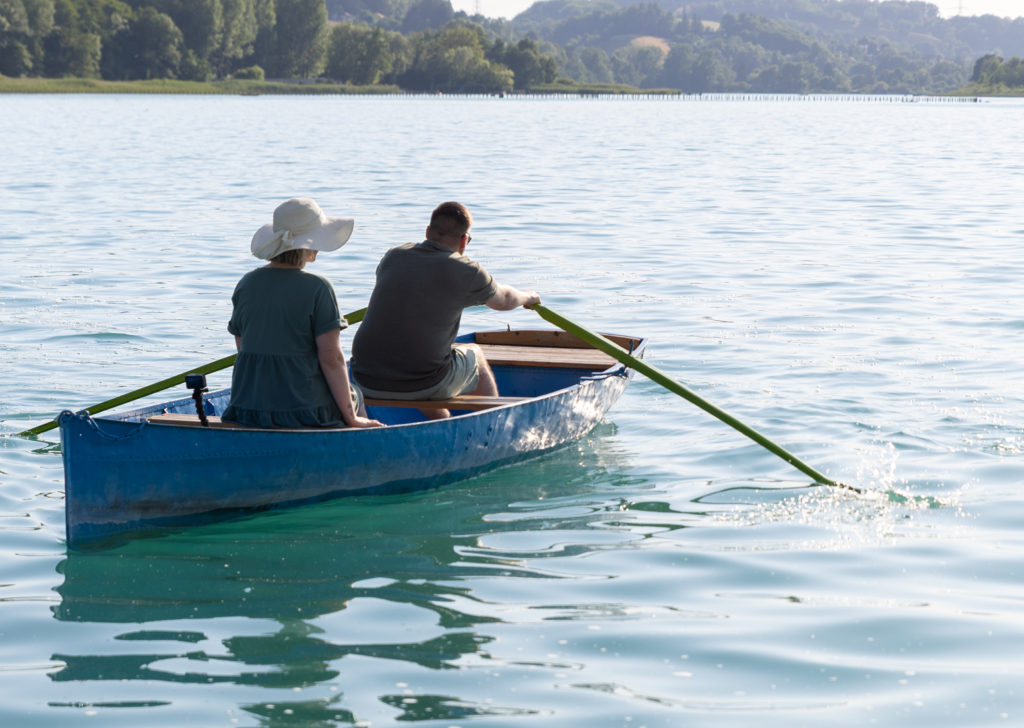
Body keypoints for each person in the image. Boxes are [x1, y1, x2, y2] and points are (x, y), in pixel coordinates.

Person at [351, 201, 540, 418]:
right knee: (474, 353)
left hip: (364, 377)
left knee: (424, 360)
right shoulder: (466, 270)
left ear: (427, 232)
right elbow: (504, 300)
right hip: (420, 382)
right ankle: (495, 427)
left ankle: (445, 423)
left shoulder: (393, 256)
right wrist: (529, 296)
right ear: (464, 241)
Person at [222, 198, 382, 429]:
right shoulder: (318, 287)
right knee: (354, 393)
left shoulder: (246, 283)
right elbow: (332, 358)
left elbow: (243, 345)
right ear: (308, 244)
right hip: (304, 411)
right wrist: (352, 417)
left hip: (247, 409)